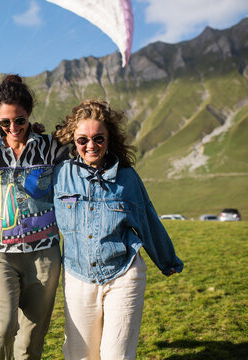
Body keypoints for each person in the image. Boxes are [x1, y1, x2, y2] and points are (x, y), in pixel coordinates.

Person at [52, 100, 184, 360]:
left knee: (117, 356)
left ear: (109, 139)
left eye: (98, 138)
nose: (91, 146)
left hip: (123, 274)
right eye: (82, 140)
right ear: (73, 141)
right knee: (80, 355)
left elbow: (147, 219)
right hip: (78, 276)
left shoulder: (127, 177)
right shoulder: (59, 175)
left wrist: (166, 260)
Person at [0, 74, 64, 359]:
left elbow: (87, 151)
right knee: (2, 328)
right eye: (5, 122)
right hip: (0, 253)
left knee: (30, 338)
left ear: (29, 115)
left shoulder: (50, 147)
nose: (13, 127)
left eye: (20, 120)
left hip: (44, 254)